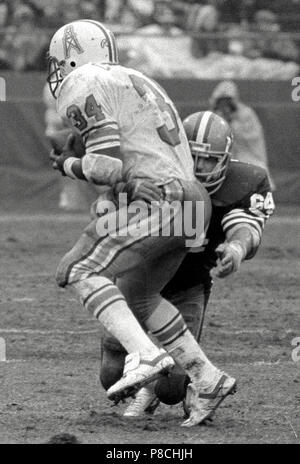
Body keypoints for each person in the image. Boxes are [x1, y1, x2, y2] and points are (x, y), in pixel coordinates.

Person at [48, 20, 235, 427]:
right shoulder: (134, 77)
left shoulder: (82, 81)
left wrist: (68, 164)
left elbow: (106, 165)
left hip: (161, 197)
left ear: (71, 56)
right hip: (193, 203)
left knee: (80, 270)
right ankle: (207, 378)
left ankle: (145, 355)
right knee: (141, 293)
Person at [99, 111, 275, 419]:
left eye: (209, 159)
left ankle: (165, 389)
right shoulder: (154, 171)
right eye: (193, 156)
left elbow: (244, 228)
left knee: (172, 390)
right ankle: (146, 380)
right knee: (111, 376)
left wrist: (235, 248)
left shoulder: (245, 182)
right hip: (140, 278)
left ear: (226, 159)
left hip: (189, 283)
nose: (200, 166)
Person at [210, 80, 276, 191]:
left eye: (228, 101)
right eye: (222, 101)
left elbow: (253, 136)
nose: (225, 105)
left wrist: (233, 123)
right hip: (221, 157)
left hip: (247, 155)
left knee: (256, 171)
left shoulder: (246, 114)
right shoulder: (213, 116)